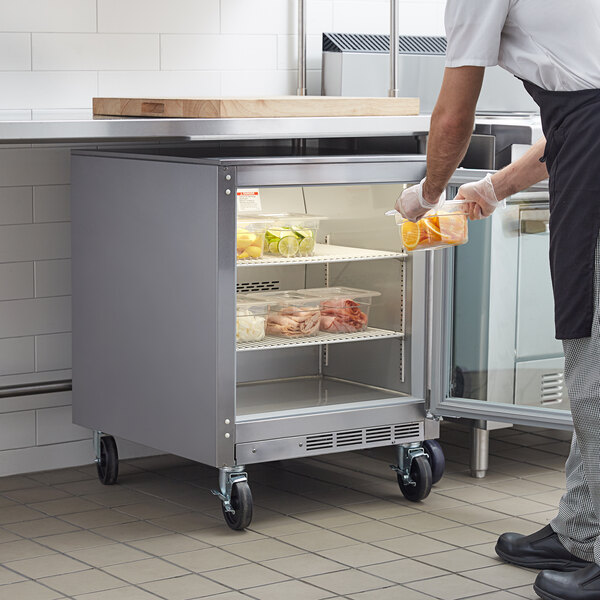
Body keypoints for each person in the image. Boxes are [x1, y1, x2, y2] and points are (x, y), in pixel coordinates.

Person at [394, 2, 600, 600]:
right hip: (584, 145)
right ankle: (578, 532)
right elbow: (576, 119)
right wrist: (488, 188)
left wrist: (428, 194)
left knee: (594, 377)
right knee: (588, 357)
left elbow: (454, 115)